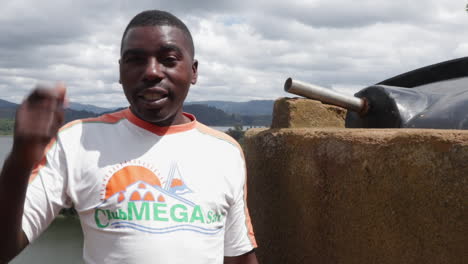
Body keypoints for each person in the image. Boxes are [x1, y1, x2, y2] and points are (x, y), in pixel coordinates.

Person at [0, 10, 258, 264]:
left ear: (193, 72)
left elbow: (238, 254)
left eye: (168, 59)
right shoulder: (78, 140)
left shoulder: (225, 152)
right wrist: (21, 159)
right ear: (120, 70)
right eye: (135, 60)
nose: (152, 72)